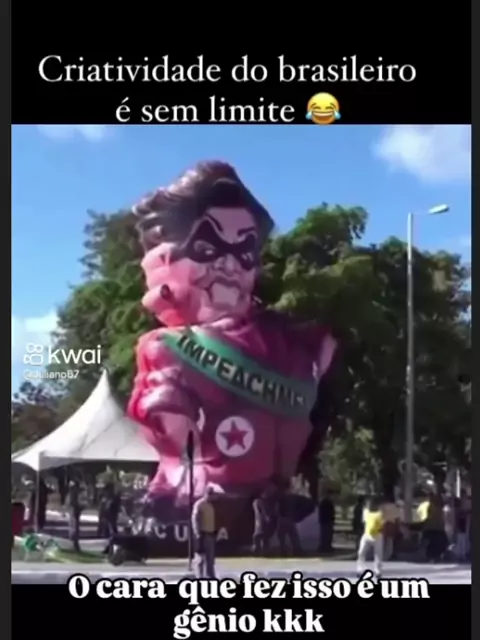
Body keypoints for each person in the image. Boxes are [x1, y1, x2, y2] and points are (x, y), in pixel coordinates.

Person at [192, 485, 217, 578]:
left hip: (210, 534)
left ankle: (210, 576)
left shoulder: (210, 505)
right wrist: (197, 533)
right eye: (210, 494)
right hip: (202, 534)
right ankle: (200, 577)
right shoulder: (199, 504)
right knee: (200, 558)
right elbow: (195, 519)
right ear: (205, 494)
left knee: (210, 558)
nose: (211, 496)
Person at [357, 497, 384, 578]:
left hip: (377, 536)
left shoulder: (379, 514)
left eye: (370, 504)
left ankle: (378, 571)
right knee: (361, 552)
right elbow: (364, 521)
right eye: (368, 504)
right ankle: (360, 569)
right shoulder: (366, 512)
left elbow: (382, 525)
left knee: (378, 554)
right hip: (367, 535)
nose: (369, 506)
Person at [252, 491, 272, 555]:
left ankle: (256, 549)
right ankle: (264, 550)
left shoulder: (255, 502)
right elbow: (262, 510)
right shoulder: (259, 501)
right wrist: (266, 517)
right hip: (261, 520)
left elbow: (258, 511)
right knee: (262, 534)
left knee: (258, 534)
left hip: (257, 519)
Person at [66, 478, 83, 552]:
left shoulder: (74, 493)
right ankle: (74, 544)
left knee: (74, 527)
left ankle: (74, 544)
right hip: (73, 511)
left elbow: (70, 503)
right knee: (73, 527)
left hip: (74, 511)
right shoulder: (72, 494)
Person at [381, 496, 400, 561]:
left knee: (382, 540)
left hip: (383, 524)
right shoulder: (395, 507)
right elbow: (397, 518)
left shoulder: (382, 506)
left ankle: (381, 555)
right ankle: (387, 555)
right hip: (391, 524)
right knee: (390, 541)